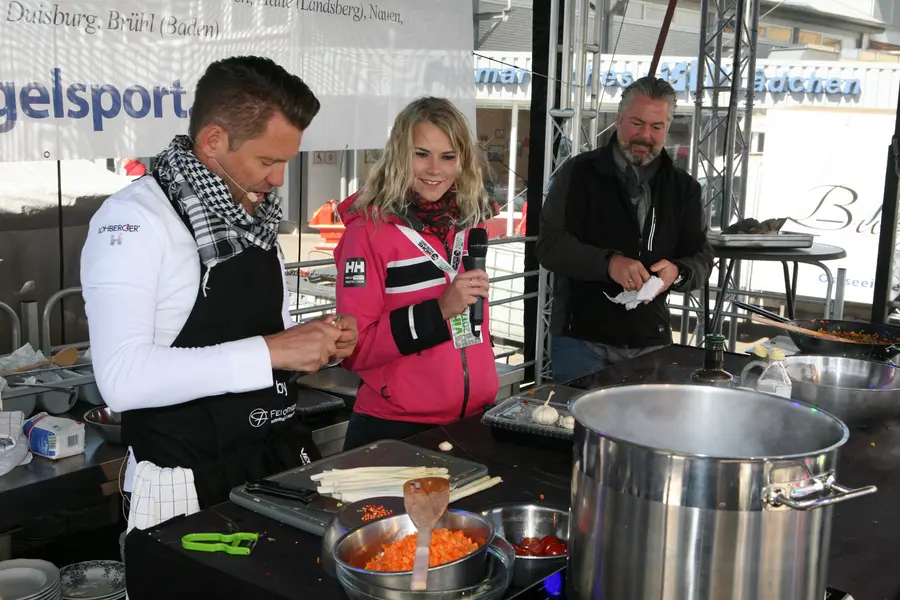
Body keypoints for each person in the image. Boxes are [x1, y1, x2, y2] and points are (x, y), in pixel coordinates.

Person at [80, 56, 359, 531]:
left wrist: (315, 344)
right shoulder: (132, 221)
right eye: (268, 161)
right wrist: (273, 350)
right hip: (184, 479)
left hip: (275, 456)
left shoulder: (252, 218)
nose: (278, 180)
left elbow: (265, 334)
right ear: (213, 141)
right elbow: (121, 379)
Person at [335, 97, 498, 450]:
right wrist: (438, 311)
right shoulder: (366, 232)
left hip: (473, 419)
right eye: (421, 153)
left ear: (463, 161)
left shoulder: (468, 221)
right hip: (396, 428)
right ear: (398, 155)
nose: (434, 169)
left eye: (448, 156)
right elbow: (355, 348)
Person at [535, 77, 713, 383]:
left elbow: (702, 257)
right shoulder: (578, 174)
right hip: (581, 341)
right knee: (574, 430)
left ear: (667, 128)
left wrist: (679, 272)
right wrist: (609, 263)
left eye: (656, 127)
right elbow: (549, 246)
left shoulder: (684, 188)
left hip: (650, 342)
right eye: (636, 123)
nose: (644, 135)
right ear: (618, 119)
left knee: (642, 430)